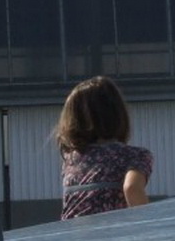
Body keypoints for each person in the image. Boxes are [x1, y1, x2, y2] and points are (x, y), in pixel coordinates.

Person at [55, 76, 153, 219]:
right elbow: (132, 188)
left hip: (72, 231)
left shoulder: (71, 159)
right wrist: (148, 226)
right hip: (110, 230)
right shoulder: (134, 155)